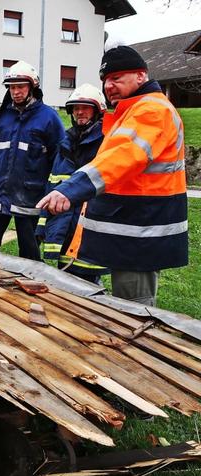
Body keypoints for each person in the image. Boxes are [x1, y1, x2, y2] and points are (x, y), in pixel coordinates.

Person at [37, 46, 188, 306]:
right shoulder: (134, 110)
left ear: (141, 76)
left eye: (116, 78)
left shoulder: (151, 110)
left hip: (141, 230)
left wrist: (70, 190)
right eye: (106, 80)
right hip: (132, 227)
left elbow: (120, 158)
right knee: (125, 304)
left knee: (134, 309)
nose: (109, 85)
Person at [0, 61, 65, 261]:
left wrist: (56, 192)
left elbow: (59, 159)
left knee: (29, 255)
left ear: (32, 87)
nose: (15, 91)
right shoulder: (1, 118)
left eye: (20, 86)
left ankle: (30, 287)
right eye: (12, 87)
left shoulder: (49, 118)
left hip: (31, 198)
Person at [37, 84, 109, 284]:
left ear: (98, 111)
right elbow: (52, 185)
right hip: (64, 225)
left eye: (85, 107)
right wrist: (42, 226)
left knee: (89, 285)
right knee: (65, 281)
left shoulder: (106, 144)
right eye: (76, 108)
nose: (79, 112)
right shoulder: (65, 143)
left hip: (90, 226)